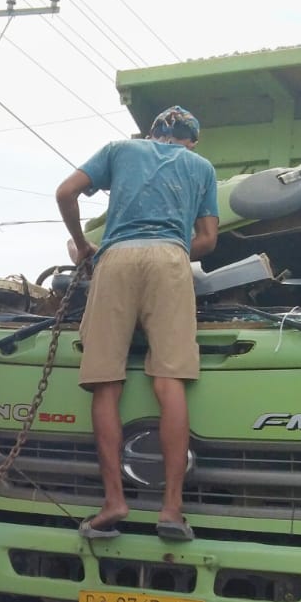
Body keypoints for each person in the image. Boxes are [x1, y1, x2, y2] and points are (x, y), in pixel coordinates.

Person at [55, 105, 219, 542]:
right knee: (170, 383)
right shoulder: (201, 167)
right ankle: (170, 509)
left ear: (151, 134)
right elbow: (208, 239)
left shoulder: (119, 150)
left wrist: (83, 244)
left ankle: (114, 502)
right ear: (192, 140)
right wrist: (173, 244)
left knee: (106, 384)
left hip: (115, 260)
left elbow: (65, 192)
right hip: (170, 261)